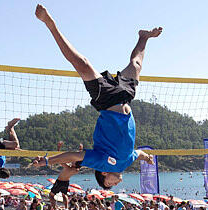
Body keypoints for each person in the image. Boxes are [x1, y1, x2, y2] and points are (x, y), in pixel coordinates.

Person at [31, 4, 158, 188]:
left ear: (104, 174)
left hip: (106, 100)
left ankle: (50, 24)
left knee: (81, 63)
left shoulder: (101, 163)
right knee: (137, 64)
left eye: (109, 184)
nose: (114, 184)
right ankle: (143, 37)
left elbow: (74, 155)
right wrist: (146, 157)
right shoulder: (125, 163)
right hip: (124, 97)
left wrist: (47, 161)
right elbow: (137, 153)